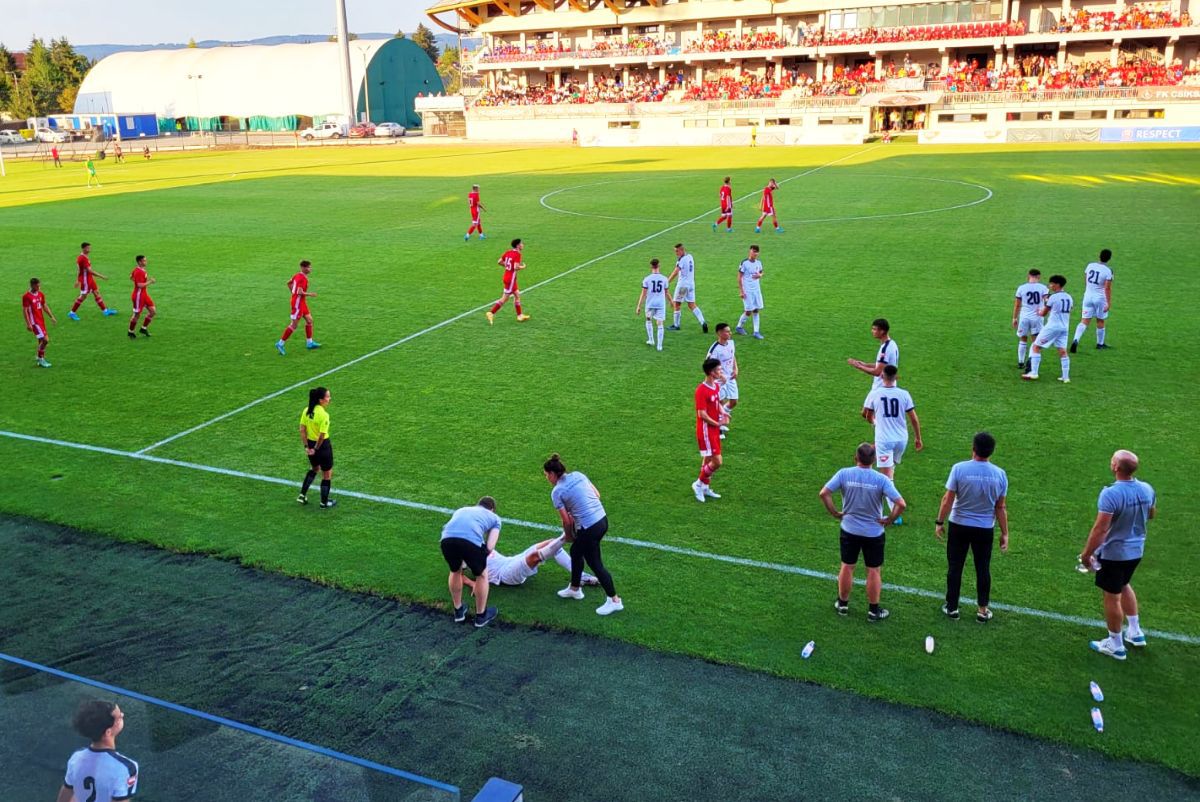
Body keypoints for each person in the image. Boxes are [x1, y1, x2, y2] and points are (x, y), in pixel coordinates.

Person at [1080, 449, 1155, 661]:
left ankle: (1116, 644)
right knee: (1124, 584)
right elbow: (1151, 513)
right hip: (1136, 549)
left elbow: (1100, 529)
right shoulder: (1147, 489)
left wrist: (1087, 554)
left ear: (1115, 467)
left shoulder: (1111, 494)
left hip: (1115, 553)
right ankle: (1135, 631)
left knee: (1111, 595)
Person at [819, 443, 906, 621]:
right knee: (873, 571)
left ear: (855, 458)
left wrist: (835, 512)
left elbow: (824, 493)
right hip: (873, 532)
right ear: (874, 460)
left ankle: (842, 605)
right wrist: (889, 519)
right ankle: (873, 611)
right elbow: (901, 504)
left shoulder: (844, 473)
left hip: (849, 529)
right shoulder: (881, 479)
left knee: (847, 566)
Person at [934, 432, 1009, 623]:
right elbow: (1000, 507)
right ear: (991, 451)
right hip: (984, 528)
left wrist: (939, 522)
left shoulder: (959, 469)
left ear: (973, 448)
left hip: (959, 525)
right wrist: (1005, 533)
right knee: (983, 568)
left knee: (955, 567)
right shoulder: (999, 474)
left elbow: (947, 499)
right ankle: (982, 610)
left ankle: (952, 608)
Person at [544, 453, 623, 615]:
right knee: (575, 552)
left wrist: (569, 536)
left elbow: (566, 521)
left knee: (595, 563)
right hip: (602, 520)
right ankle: (574, 588)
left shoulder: (557, 492)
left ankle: (614, 600)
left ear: (552, 474)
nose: (546, 478)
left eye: (546, 475)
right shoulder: (579, 475)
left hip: (589, 528)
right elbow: (597, 495)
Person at [862, 365, 922, 523]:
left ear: (882, 376)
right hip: (902, 439)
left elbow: (866, 415)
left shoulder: (875, 393)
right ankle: (891, 505)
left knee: (885, 478)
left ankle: (894, 513)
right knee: (890, 472)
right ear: (896, 377)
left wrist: (875, 422)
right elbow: (914, 419)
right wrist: (918, 438)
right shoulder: (904, 394)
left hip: (884, 440)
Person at [56, 699, 138, 802]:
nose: (123, 714)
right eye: (119, 717)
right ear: (108, 732)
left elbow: (65, 795)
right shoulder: (126, 767)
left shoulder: (76, 758)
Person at [439, 497, 500, 627]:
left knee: (455, 570)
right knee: (482, 575)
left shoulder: (462, 510)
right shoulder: (495, 519)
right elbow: (490, 547)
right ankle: (481, 616)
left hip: (446, 540)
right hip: (469, 543)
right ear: (492, 510)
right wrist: (478, 560)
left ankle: (458, 611)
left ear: (478, 505)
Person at [462, 533, 598, 591]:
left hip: (510, 560)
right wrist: (472, 583)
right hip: (504, 575)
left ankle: (580, 576)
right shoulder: (463, 553)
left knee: (551, 543)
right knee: (535, 556)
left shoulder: (477, 541)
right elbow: (456, 574)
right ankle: (566, 535)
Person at [1022, 274, 1072, 383]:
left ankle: (1033, 373)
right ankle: (1065, 377)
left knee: (1036, 347)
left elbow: (1043, 313)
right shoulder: (1069, 297)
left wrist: (1039, 311)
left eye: (1051, 284)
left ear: (1057, 284)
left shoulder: (1053, 297)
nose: (1050, 286)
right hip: (1064, 327)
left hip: (1052, 327)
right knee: (1063, 351)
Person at [693, 357, 728, 501]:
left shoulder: (715, 386)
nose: (721, 371)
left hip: (713, 429)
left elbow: (717, 403)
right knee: (717, 461)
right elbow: (701, 414)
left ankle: (705, 487)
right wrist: (717, 424)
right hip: (707, 431)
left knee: (708, 459)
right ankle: (698, 484)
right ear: (711, 372)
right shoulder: (701, 390)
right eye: (718, 370)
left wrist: (723, 412)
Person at [297, 386, 336, 508]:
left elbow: (302, 430)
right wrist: (316, 449)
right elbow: (322, 435)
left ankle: (302, 495)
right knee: (327, 474)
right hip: (322, 447)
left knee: (314, 468)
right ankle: (324, 502)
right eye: (328, 396)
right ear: (321, 399)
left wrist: (307, 447)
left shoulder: (306, 410)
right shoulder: (324, 415)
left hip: (310, 444)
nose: (329, 399)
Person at [1072, 248, 1113, 352]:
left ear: (1099, 256)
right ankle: (1100, 344)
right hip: (1100, 298)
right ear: (1109, 258)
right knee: (1100, 320)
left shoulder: (1090, 266)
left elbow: (1086, 280)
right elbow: (1107, 288)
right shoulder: (1108, 271)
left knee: (1084, 320)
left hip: (1088, 296)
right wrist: (1108, 303)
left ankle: (1075, 339)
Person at [276, 260, 320, 355]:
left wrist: (293, 293)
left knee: (309, 320)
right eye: (309, 267)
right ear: (303, 268)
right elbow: (300, 292)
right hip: (298, 304)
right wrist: (310, 294)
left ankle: (309, 343)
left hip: (301, 302)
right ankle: (280, 344)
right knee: (294, 325)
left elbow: (288, 283)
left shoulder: (297, 275)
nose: (310, 269)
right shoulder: (303, 278)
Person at [486, 238, 531, 324]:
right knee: (505, 298)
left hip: (508, 277)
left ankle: (520, 316)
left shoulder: (508, 252)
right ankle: (491, 313)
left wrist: (507, 266)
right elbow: (515, 267)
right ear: (518, 246)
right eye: (521, 244)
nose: (523, 245)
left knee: (517, 295)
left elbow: (499, 262)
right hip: (510, 280)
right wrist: (523, 267)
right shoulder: (517, 254)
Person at [847, 318, 897, 395]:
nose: (872, 331)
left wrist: (858, 366)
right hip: (889, 387)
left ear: (882, 331)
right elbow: (884, 365)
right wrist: (865, 364)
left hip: (881, 389)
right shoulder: (892, 344)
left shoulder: (885, 349)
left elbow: (877, 372)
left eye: (874, 329)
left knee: (866, 407)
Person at [68, 242, 117, 320]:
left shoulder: (83, 257)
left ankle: (105, 310)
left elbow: (79, 270)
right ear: (83, 248)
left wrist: (77, 280)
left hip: (89, 279)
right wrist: (102, 276)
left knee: (96, 292)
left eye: (90, 248)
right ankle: (72, 313)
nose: (89, 249)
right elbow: (89, 271)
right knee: (83, 296)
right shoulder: (83, 258)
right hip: (86, 280)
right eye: (87, 248)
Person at [1012, 268, 1049, 370]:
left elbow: (1017, 305)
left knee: (1023, 338)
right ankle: (1030, 359)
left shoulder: (1021, 288)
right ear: (1039, 277)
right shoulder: (1043, 288)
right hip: (1037, 318)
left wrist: (1014, 318)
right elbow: (1047, 301)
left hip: (1024, 317)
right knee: (1035, 340)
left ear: (1028, 276)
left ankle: (1020, 362)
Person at [666, 243, 707, 333]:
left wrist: (667, 281)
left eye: (677, 251)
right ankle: (703, 321)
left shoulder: (682, 260)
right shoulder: (690, 257)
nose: (676, 253)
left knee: (677, 304)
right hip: (691, 284)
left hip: (683, 286)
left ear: (682, 250)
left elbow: (676, 272)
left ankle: (676, 325)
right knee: (692, 304)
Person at [707, 323, 738, 438]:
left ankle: (723, 417)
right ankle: (718, 427)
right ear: (719, 333)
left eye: (730, 331)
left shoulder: (731, 343)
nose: (730, 333)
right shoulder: (715, 349)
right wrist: (720, 376)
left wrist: (736, 368)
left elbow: (732, 356)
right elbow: (708, 365)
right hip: (719, 380)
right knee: (718, 403)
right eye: (727, 331)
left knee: (734, 401)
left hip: (730, 377)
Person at [22, 277, 58, 368]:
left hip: (41, 321)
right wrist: (28, 324)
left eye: (39, 285)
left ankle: (40, 359)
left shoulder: (41, 294)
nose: (39, 287)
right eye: (37, 286)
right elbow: (25, 310)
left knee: (41, 341)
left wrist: (51, 317)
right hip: (35, 323)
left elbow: (44, 306)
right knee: (45, 340)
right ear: (32, 285)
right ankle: (40, 358)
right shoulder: (26, 296)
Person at [635, 258, 669, 351]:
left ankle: (651, 340)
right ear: (659, 265)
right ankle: (659, 346)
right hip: (660, 304)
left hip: (650, 303)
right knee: (660, 324)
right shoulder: (664, 279)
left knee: (648, 320)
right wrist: (671, 302)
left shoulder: (647, 279)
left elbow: (643, 293)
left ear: (651, 266)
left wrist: (639, 306)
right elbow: (666, 292)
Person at [735, 245, 765, 340]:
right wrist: (741, 291)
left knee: (756, 310)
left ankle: (756, 332)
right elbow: (739, 277)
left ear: (758, 253)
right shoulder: (744, 263)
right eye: (753, 251)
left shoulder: (759, 263)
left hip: (756, 290)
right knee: (748, 311)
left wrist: (760, 275)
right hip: (747, 290)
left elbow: (761, 272)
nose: (754, 253)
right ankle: (739, 327)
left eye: (756, 252)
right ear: (750, 251)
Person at [127, 255, 156, 340]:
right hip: (138, 296)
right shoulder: (139, 272)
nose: (146, 262)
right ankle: (130, 332)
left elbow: (131, 277)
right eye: (144, 261)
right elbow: (139, 285)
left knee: (153, 311)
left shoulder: (139, 270)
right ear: (139, 262)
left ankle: (143, 328)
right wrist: (150, 281)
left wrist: (136, 280)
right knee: (136, 315)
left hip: (144, 295)